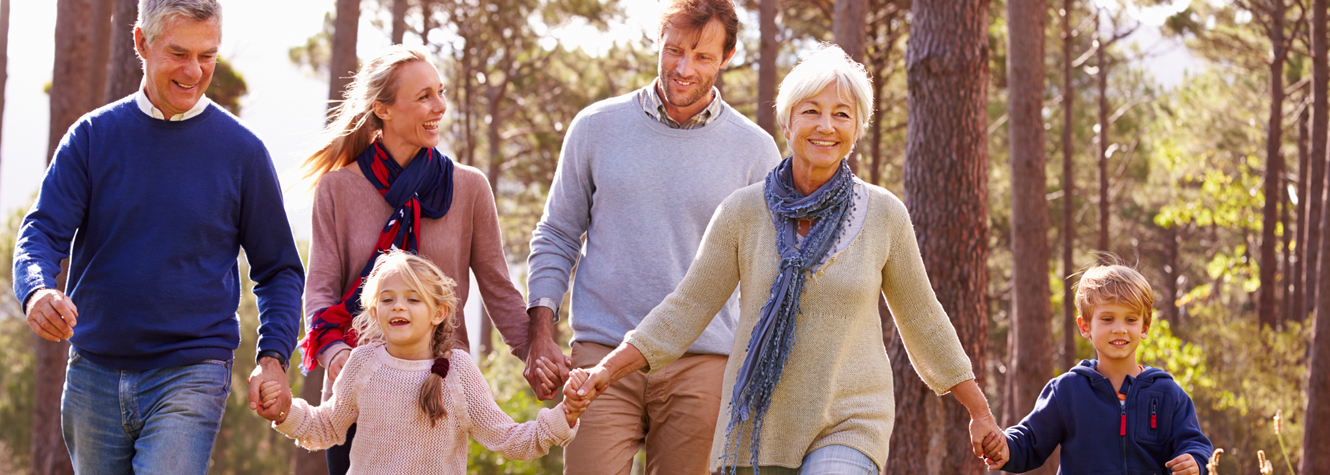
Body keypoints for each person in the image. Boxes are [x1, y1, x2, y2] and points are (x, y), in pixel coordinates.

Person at [565, 44, 1006, 474]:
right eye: (811, 110)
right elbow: (685, 309)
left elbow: (923, 318)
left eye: (842, 114)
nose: (826, 126)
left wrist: (979, 410)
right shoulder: (743, 212)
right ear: (788, 121)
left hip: (850, 420)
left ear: (857, 127)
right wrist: (606, 369)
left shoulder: (883, 214)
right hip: (757, 427)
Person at [11, 0, 304, 472]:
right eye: (179, 53)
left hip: (192, 371)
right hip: (93, 374)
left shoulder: (243, 152)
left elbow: (280, 269)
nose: (194, 70)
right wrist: (37, 289)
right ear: (141, 43)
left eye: (207, 55)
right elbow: (42, 230)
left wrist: (273, 357)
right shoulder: (91, 137)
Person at [523, 0, 781, 472]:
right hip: (600, 353)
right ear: (657, 44)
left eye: (703, 56)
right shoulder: (595, 127)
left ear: (728, 56)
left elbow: (767, 271)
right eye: (674, 50)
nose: (684, 69)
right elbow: (558, 234)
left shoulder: (755, 150)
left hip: (703, 361)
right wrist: (540, 333)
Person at [295, 45, 562, 473]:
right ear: (382, 108)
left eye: (440, 92)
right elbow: (321, 289)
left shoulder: (469, 188)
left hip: (438, 392)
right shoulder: (337, 189)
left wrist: (536, 353)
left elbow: (498, 289)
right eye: (424, 96)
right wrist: (336, 356)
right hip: (360, 393)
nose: (440, 106)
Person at [257, 251, 587, 473]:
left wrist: (565, 414)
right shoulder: (363, 364)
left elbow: (512, 440)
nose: (398, 307)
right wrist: (285, 411)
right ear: (375, 311)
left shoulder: (457, 372)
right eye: (387, 300)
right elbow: (326, 427)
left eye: (413, 299)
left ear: (439, 313)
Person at [998, 263, 1213, 475]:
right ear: (1085, 326)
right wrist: (1002, 447)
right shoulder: (1066, 391)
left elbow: (1195, 443)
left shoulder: (1168, 393)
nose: (1119, 329)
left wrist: (1195, 461)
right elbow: (1029, 441)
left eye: (1130, 320)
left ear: (1145, 327)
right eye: (1108, 319)